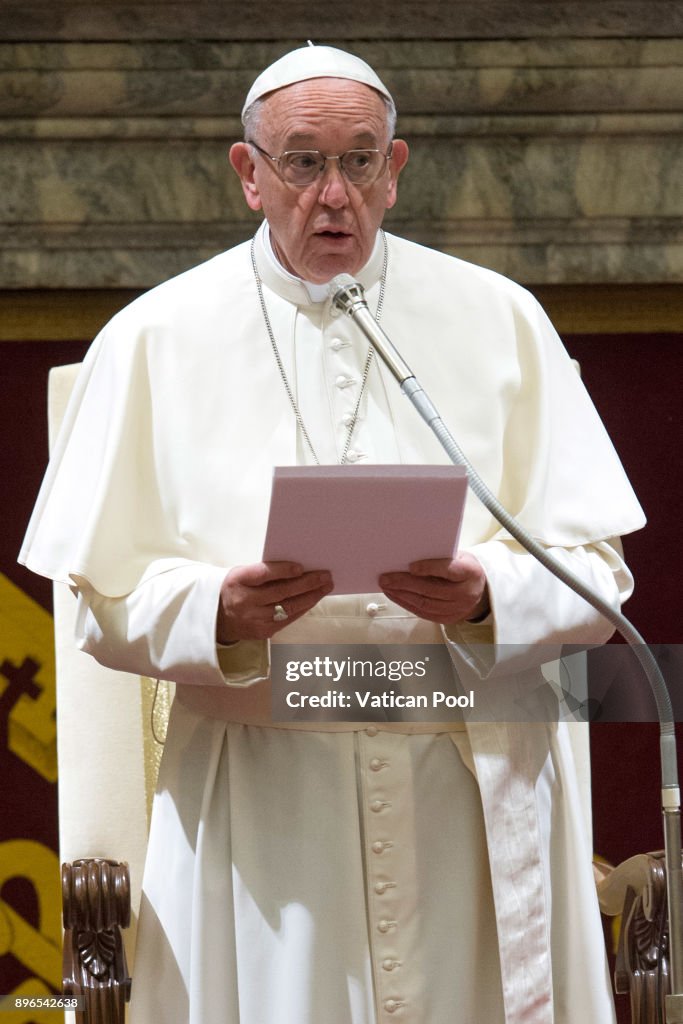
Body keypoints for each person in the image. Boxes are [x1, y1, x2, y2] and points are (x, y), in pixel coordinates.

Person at [21, 44, 645, 1024]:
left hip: (465, 800)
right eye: (302, 162)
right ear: (249, 176)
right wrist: (212, 610)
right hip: (265, 817)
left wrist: (488, 591)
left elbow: (599, 576)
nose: (332, 194)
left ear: (394, 173)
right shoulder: (153, 340)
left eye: (358, 161)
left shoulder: (500, 321)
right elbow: (99, 605)